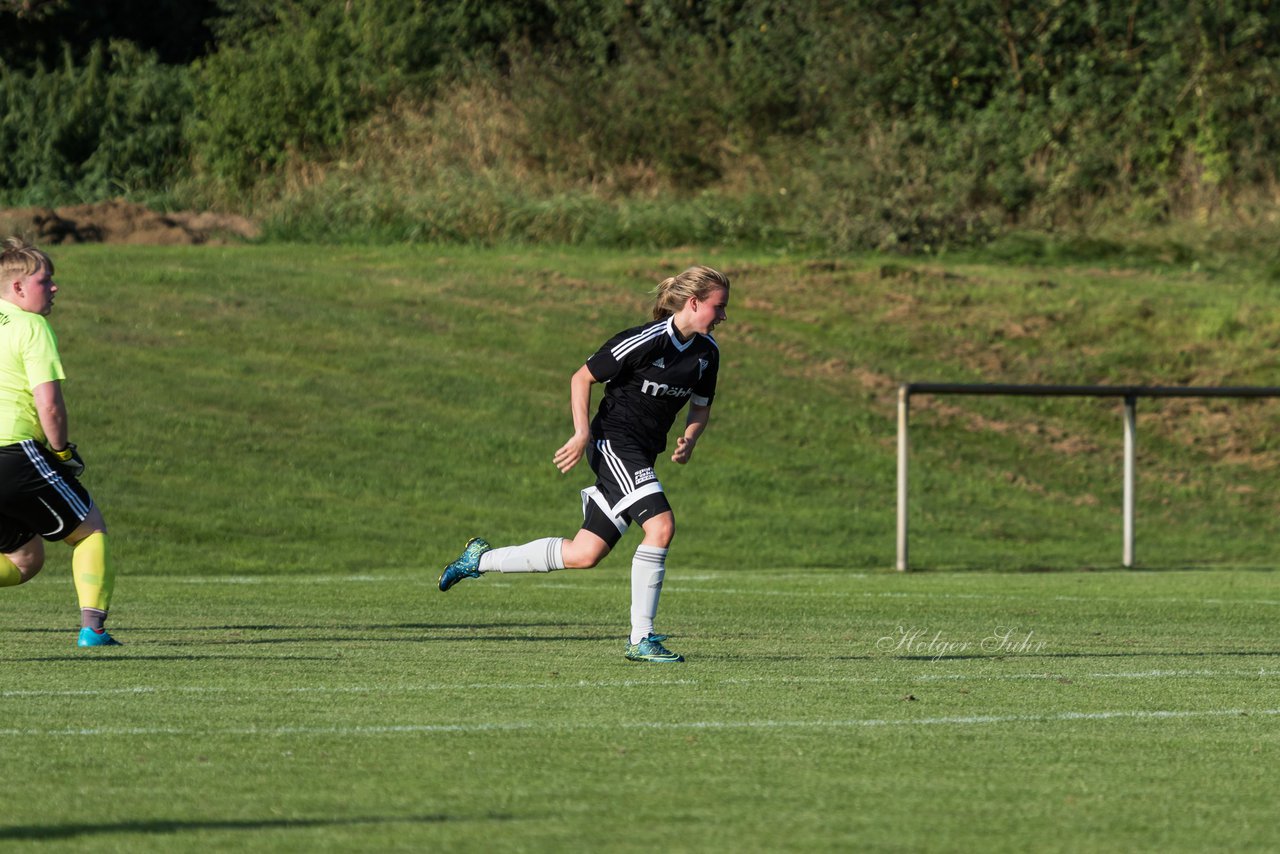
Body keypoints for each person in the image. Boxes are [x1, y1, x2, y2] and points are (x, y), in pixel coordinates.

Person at [438, 265, 730, 663]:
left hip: (641, 455)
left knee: (584, 553)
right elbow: (581, 378)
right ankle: (641, 638)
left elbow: (701, 406)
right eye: (719, 307)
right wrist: (581, 434)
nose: (724, 316)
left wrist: (690, 439)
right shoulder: (644, 340)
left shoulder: (706, 354)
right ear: (694, 303)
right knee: (661, 527)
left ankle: (479, 560)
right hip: (613, 444)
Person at [0, 237, 119, 647]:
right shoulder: (32, 326)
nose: (54, 288)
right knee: (89, 531)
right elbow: (48, 405)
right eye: (44, 280)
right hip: (13, 452)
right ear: (17, 288)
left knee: (24, 559)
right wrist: (63, 450)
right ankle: (93, 630)